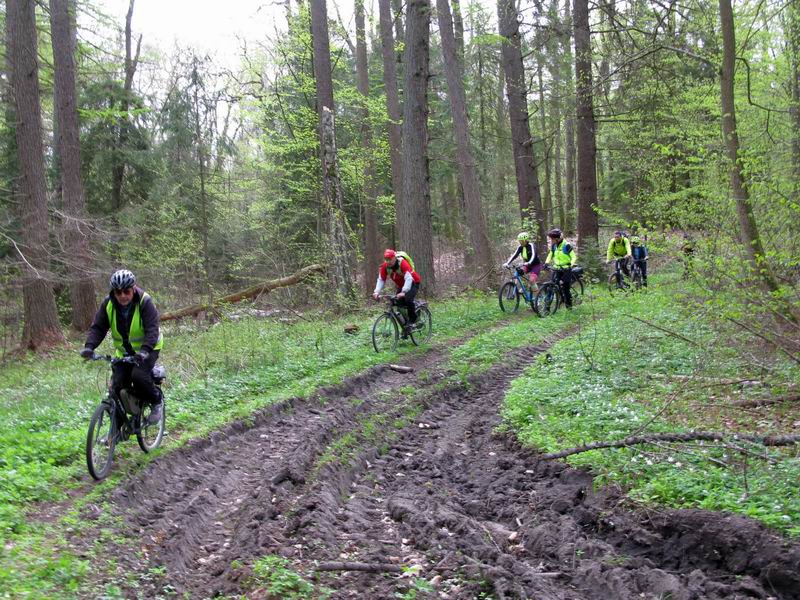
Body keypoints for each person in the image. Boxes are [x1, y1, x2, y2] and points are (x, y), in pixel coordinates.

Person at [80, 269, 164, 425]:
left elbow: (152, 329)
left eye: (126, 291)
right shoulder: (108, 304)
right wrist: (90, 347)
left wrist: (145, 351)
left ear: (133, 288)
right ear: (114, 292)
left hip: (149, 348)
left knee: (138, 376)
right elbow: (98, 327)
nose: (123, 296)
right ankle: (116, 431)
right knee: (116, 387)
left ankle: (156, 402)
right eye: (118, 292)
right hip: (124, 352)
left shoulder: (145, 302)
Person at [373, 249, 422, 334]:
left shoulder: (402, 263)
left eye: (390, 259)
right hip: (402, 286)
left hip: (413, 282)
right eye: (386, 259)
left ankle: (414, 321)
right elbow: (381, 279)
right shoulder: (385, 267)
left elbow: (409, 278)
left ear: (394, 258)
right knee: (397, 302)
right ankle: (406, 327)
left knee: (408, 300)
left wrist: (404, 291)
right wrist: (377, 291)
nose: (388, 261)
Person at [544, 228, 578, 308]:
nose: (551, 240)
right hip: (557, 269)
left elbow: (573, 257)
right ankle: (547, 307)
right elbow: (550, 255)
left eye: (552, 239)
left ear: (557, 239)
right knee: (551, 287)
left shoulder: (566, 245)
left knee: (566, 289)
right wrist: (546, 262)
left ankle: (569, 307)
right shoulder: (554, 245)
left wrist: (570, 265)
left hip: (566, 269)